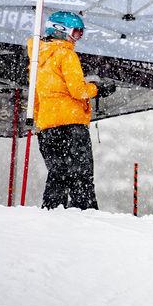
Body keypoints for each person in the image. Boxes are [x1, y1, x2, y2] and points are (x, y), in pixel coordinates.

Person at [28, 11, 115, 210]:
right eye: (76, 32)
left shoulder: (36, 57)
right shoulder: (66, 54)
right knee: (81, 176)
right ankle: (85, 214)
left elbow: (36, 96)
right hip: (71, 125)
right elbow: (78, 91)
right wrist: (98, 88)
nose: (78, 38)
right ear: (60, 30)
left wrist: (40, 123)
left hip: (47, 127)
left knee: (57, 174)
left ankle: (52, 212)